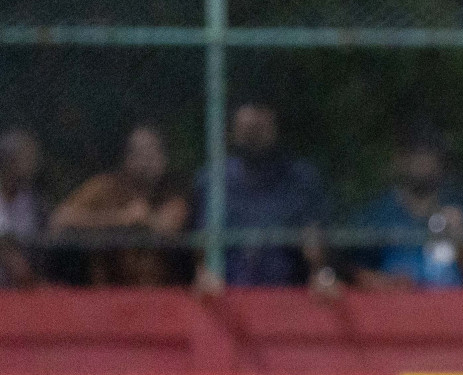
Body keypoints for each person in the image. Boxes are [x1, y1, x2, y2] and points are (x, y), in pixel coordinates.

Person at [195, 102, 331, 291]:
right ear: (233, 131)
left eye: (259, 130)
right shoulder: (213, 180)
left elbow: (313, 241)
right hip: (227, 297)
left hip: (287, 297)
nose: (253, 138)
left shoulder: (299, 179)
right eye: (247, 131)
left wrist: (320, 273)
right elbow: (203, 241)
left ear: (274, 128)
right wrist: (203, 273)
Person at [49, 125, 189, 286]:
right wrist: (119, 219)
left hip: (159, 295)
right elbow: (59, 219)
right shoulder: (104, 187)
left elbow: (169, 226)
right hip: (109, 293)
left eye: (152, 153)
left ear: (164, 158)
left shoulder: (172, 192)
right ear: (126, 158)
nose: (146, 161)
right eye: (139, 153)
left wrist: (147, 220)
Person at [349, 136, 463, 289]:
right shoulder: (380, 213)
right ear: (399, 160)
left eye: (429, 154)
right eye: (415, 153)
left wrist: (461, 245)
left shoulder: (461, 210)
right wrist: (386, 283)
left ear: (441, 161)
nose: (422, 161)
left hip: (454, 307)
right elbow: (354, 271)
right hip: (396, 307)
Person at [0, 129, 46, 287]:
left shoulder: (30, 199)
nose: (33, 165)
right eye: (27, 158)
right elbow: (7, 253)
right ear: (8, 162)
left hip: (16, 290)